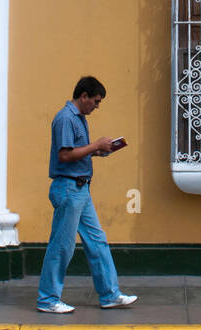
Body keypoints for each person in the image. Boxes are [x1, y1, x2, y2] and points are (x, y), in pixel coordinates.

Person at [36, 76, 137, 313]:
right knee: (62, 246)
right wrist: (95, 145)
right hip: (69, 189)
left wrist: (99, 151)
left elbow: (75, 153)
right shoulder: (65, 119)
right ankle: (48, 300)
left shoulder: (78, 119)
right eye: (96, 101)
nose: (97, 106)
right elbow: (64, 156)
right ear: (84, 96)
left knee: (97, 241)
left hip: (80, 189)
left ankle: (110, 294)